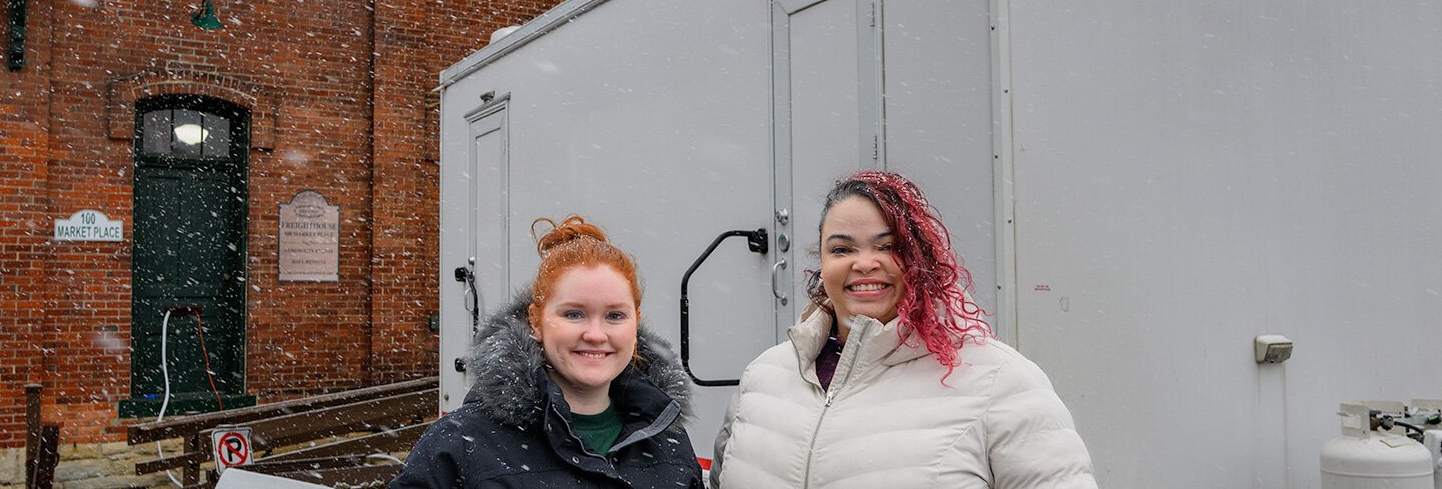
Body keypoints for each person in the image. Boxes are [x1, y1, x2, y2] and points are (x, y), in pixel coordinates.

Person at [712, 171, 1096, 488]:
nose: (864, 264)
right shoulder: (764, 378)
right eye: (842, 249)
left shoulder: (997, 381)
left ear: (919, 258)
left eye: (888, 246)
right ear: (821, 264)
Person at [391, 216, 704, 488]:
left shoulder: (669, 441)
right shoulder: (461, 444)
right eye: (573, 314)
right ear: (535, 322)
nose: (595, 334)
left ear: (636, 324)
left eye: (615, 316)